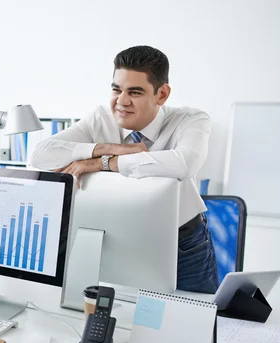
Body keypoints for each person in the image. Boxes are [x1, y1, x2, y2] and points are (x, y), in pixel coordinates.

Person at [30, 45, 218, 294]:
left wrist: (102, 163)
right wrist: (108, 148)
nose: (122, 101)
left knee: (193, 315)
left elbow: (184, 163)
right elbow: (39, 156)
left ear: (161, 94)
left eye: (135, 92)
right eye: (116, 89)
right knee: (120, 317)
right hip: (115, 234)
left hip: (182, 241)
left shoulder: (190, 119)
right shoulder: (100, 118)